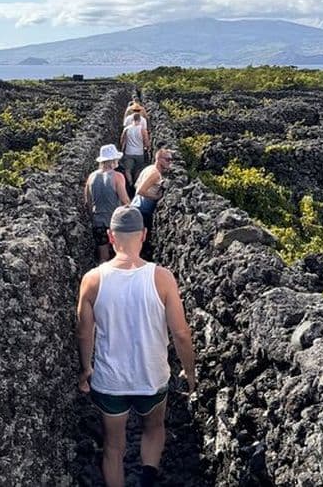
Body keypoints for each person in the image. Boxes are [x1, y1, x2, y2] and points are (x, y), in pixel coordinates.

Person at [77, 206, 196, 487]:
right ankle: (147, 479)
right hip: (151, 377)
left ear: (111, 236)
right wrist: (189, 372)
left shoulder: (92, 279)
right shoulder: (162, 278)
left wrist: (86, 370)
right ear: (143, 234)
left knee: (113, 447)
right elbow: (181, 333)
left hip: (110, 381)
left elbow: (84, 332)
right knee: (153, 428)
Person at [84, 144, 130, 263]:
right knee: (120, 256)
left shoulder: (91, 177)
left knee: (103, 257)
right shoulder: (118, 177)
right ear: (113, 161)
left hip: (98, 222)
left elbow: (88, 202)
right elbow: (125, 200)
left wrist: (93, 218)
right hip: (115, 222)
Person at [131, 149, 173, 259]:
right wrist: (156, 197)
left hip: (136, 206)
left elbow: (136, 185)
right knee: (142, 239)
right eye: (167, 159)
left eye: (171, 159)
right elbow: (140, 190)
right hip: (143, 210)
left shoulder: (149, 168)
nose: (170, 162)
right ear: (158, 159)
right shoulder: (155, 174)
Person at [120, 112, 151, 191]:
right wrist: (147, 148)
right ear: (140, 120)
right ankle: (135, 183)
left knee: (128, 169)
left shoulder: (126, 129)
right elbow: (146, 142)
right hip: (139, 153)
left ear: (132, 120)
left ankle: (130, 183)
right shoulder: (143, 130)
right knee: (138, 169)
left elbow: (122, 141)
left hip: (129, 152)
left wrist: (122, 151)